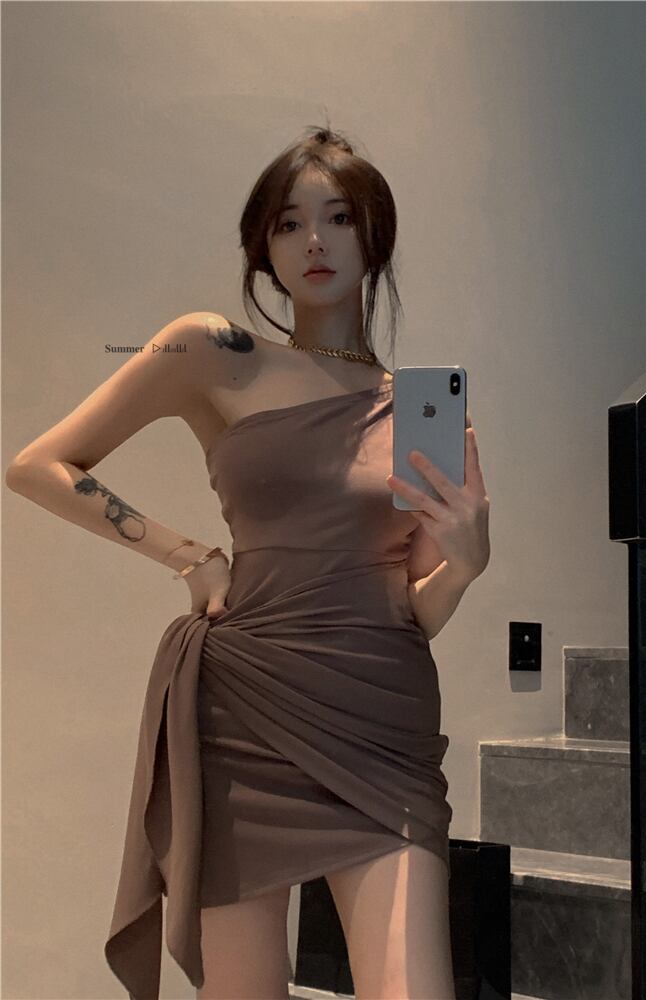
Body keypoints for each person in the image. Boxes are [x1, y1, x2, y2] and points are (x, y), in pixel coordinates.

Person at [5, 125, 491, 1000]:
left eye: (338, 218)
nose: (314, 241)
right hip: (245, 709)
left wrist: (464, 566)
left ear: (375, 236)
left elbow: (414, 607)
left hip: (380, 720)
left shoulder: (415, 410)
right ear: (262, 249)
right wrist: (187, 555)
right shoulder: (213, 352)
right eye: (287, 223)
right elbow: (38, 465)